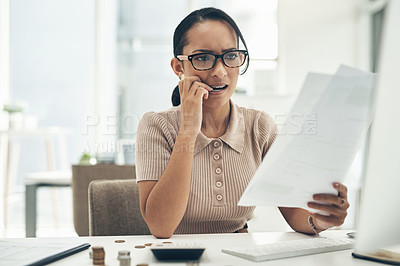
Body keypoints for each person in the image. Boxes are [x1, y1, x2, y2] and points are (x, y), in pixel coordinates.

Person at [135, 7, 349, 239]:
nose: (219, 72)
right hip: (178, 255)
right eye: (203, 58)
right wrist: (188, 130)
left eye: (230, 56)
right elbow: (160, 226)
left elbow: (294, 212)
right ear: (179, 68)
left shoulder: (260, 126)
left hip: (240, 253)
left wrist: (320, 219)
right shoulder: (156, 126)